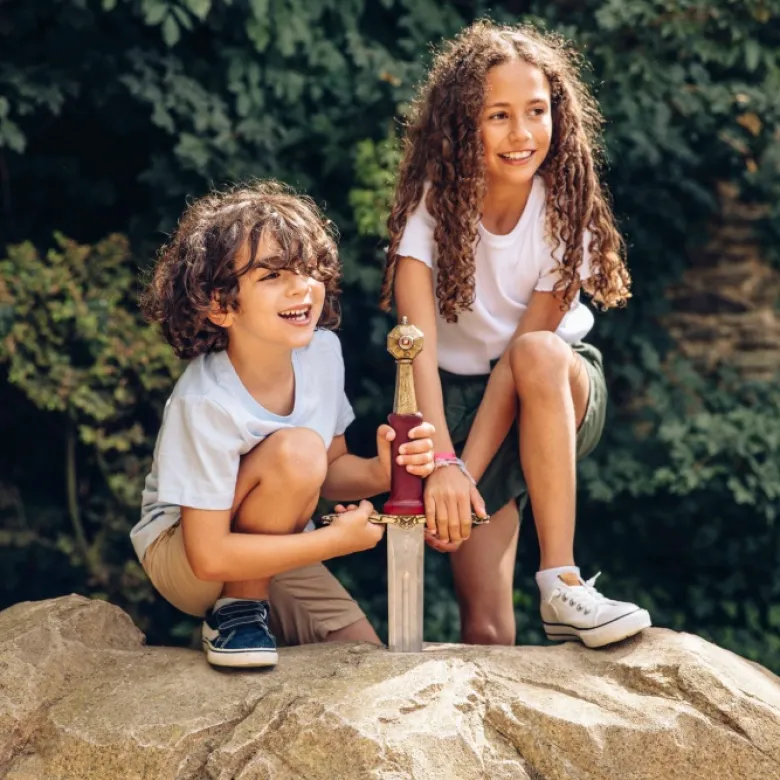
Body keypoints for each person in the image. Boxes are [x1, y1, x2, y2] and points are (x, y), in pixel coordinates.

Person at [380, 20, 651, 649]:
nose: (522, 133)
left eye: (536, 111)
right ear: (460, 126)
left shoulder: (565, 207)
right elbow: (413, 347)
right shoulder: (430, 212)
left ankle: (562, 583)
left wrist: (458, 477)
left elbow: (521, 363)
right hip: (452, 402)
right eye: (498, 115)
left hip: (556, 384)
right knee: (486, 625)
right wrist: (444, 464)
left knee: (535, 352)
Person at [132, 181, 435, 668]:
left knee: (362, 656)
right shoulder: (206, 400)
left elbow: (329, 471)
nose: (301, 287)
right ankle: (237, 614)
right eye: (272, 275)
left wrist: (382, 472)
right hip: (186, 554)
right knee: (295, 451)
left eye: (309, 270)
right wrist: (334, 542)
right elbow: (207, 555)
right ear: (221, 305)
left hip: (271, 538)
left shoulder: (322, 353)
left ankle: (249, 606)